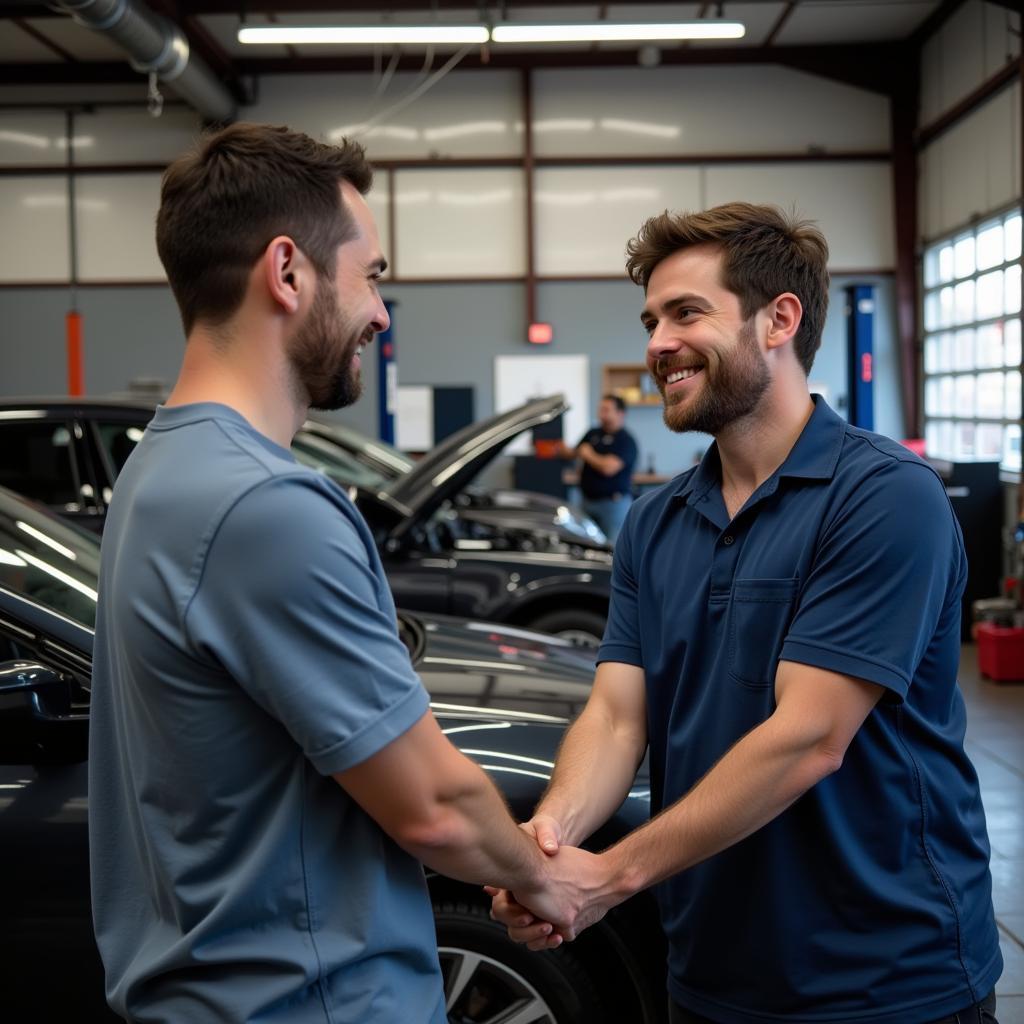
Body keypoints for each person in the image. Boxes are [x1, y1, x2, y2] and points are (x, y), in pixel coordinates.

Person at [88, 123, 574, 1024]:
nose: (382, 313)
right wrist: (544, 880)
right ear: (288, 271)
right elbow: (433, 807)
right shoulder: (266, 505)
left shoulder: (157, 472)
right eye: (373, 275)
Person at [489, 202, 1003, 1023]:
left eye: (687, 313)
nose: (656, 343)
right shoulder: (657, 523)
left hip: (884, 979)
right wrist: (550, 842)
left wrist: (610, 876)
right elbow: (619, 718)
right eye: (652, 319)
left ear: (779, 321)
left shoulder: (881, 498)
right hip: (710, 972)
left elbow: (809, 739)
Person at [559, 393, 638, 543]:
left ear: (620, 413)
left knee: (612, 550)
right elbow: (573, 453)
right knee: (585, 545)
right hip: (587, 502)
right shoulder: (593, 433)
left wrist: (588, 454)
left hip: (613, 506)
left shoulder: (626, 440)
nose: (601, 414)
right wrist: (559, 447)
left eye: (606, 410)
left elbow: (609, 468)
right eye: (601, 409)